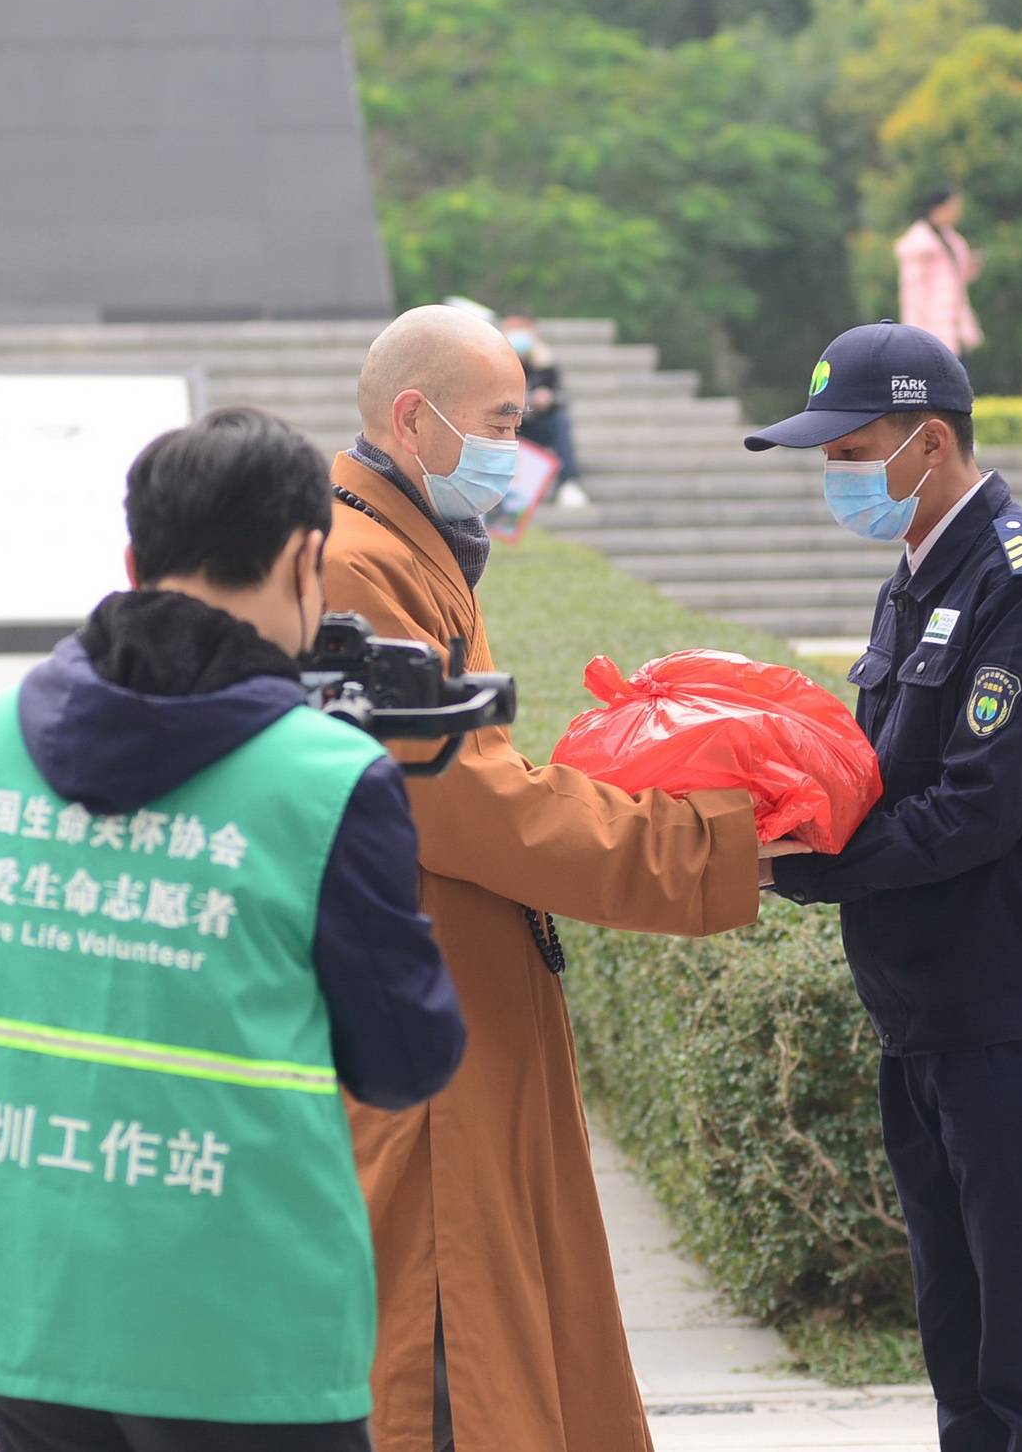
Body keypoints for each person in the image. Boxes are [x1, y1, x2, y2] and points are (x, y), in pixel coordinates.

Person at [0, 407, 467, 1452]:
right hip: (241, 1318)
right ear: (309, 558)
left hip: (22, 1287)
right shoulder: (327, 781)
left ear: (132, 558)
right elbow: (403, 1061)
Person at [328, 304, 779, 1452]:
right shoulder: (359, 565)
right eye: (500, 423)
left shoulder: (405, 543)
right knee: (453, 1360)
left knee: (498, 1333)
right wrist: (700, 843)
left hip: (467, 1004)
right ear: (413, 419)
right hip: (432, 1027)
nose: (516, 453)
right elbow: (468, 802)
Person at [744, 321, 1022, 1452]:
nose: (835, 478)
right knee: (968, 1366)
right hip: (933, 1021)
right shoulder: (916, 580)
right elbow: (875, 783)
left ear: (929, 442)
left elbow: (976, 809)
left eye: (848, 453)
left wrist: (803, 867)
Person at [500, 305, 587, 507]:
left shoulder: (545, 363)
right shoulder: (496, 362)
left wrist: (547, 399)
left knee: (559, 422)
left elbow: (562, 398)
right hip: (507, 426)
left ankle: (569, 482)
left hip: (534, 424)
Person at [897, 185, 984, 358]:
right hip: (929, 324)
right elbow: (914, 292)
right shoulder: (918, 244)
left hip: (954, 322)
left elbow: (956, 279)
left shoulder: (951, 239)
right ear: (938, 208)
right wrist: (916, 331)